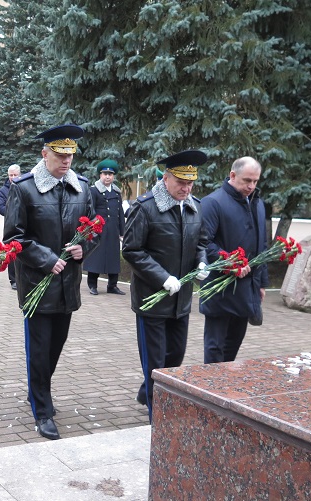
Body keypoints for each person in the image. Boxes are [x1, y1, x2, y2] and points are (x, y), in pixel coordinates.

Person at [3, 124, 97, 441]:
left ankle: (39, 390)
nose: (66, 160)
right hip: (36, 286)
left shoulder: (82, 188)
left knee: (55, 348)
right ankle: (42, 409)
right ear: (45, 154)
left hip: (67, 286)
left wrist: (85, 248)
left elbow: (94, 229)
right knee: (39, 351)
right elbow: (14, 238)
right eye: (59, 155)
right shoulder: (25, 188)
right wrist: (45, 259)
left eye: (70, 154)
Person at [122, 150, 209, 415]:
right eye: (181, 182)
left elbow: (201, 242)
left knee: (175, 357)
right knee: (155, 362)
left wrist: (202, 262)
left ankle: (147, 392)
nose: (186, 188)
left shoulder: (195, 206)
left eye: (190, 182)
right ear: (166, 178)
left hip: (180, 300)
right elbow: (132, 250)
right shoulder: (146, 207)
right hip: (152, 300)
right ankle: (157, 416)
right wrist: (162, 277)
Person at [199, 156, 268, 364]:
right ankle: (211, 386)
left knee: (234, 342)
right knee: (215, 345)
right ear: (232, 175)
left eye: (255, 181)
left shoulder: (257, 204)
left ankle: (224, 383)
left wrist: (262, 282)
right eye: (247, 180)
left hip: (247, 288)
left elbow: (261, 246)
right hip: (220, 288)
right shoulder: (213, 202)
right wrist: (230, 262)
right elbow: (204, 242)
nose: (251, 186)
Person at [83, 159, 126, 295]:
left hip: (113, 229)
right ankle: (92, 285)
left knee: (113, 257)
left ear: (113, 176)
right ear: (100, 175)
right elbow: (90, 210)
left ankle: (112, 286)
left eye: (110, 174)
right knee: (96, 256)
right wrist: (92, 226)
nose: (107, 176)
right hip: (98, 229)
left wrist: (122, 231)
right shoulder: (94, 191)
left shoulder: (116, 192)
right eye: (105, 174)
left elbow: (120, 212)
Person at [0, 164, 21, 290]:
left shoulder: (24, 187)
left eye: (15, 175)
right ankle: (13, 280)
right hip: (10, 227)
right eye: (10, 175)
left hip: (24, 226)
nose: (12, 177)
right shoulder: (3, 191)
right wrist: (14, 211)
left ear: (19, 175)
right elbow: (0, 207)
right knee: (11, 252)